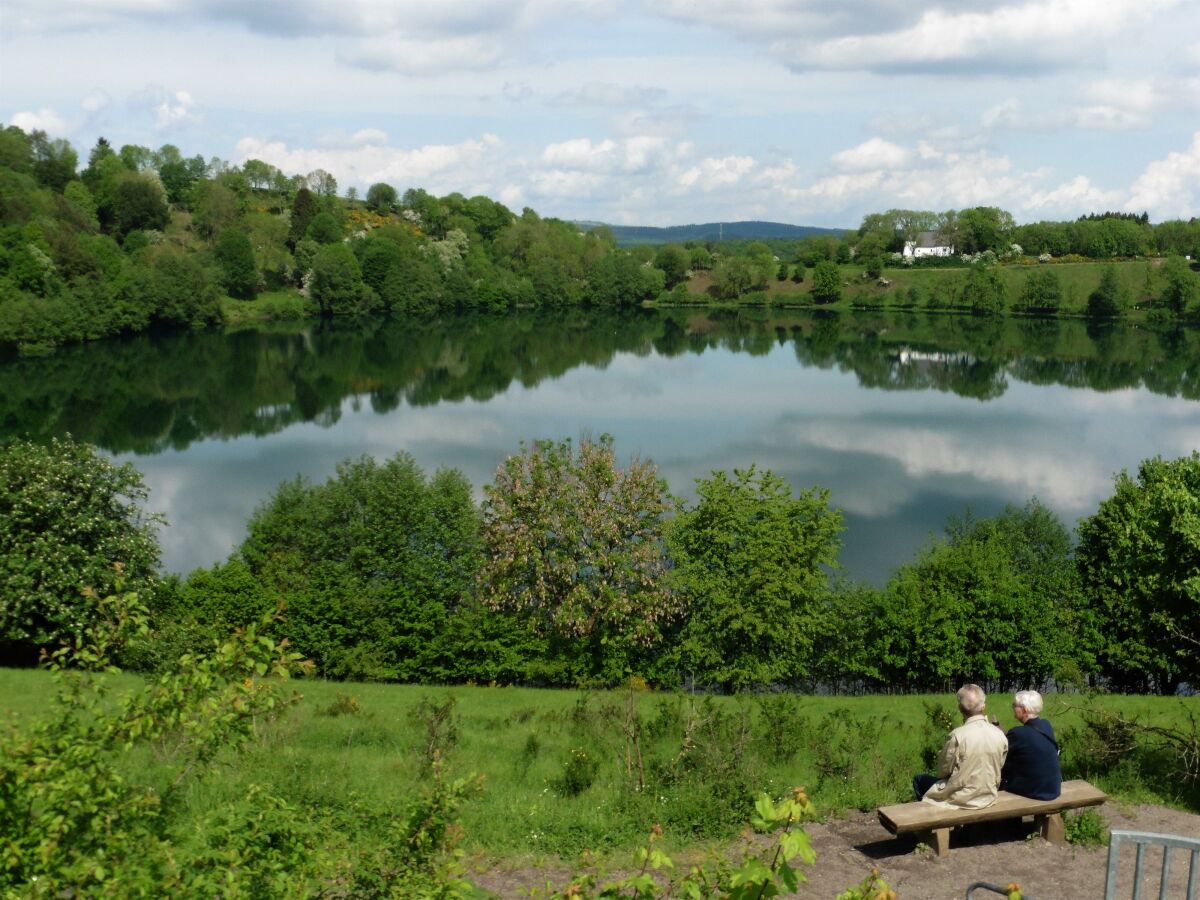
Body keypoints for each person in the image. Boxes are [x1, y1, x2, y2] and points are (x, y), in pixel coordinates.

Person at [914, 684, 1008, 809]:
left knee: (919, 779)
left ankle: (931, 822)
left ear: (960, 708)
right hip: (989, 796)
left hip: (961, 799)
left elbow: (942, 771)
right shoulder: (999, 734)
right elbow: (999, 765)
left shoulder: (958, 735)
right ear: (983, 706)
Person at [1000, 690, 1061, 800]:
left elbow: (1000, 753)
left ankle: (1010, 817)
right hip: (1053, 788)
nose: (1013, 708)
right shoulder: (1046, 724)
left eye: (1015, 705)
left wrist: (997, 734)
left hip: (1035, 791)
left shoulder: (1018, 733)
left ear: (1024, 709)